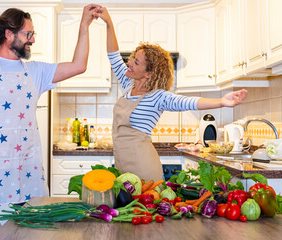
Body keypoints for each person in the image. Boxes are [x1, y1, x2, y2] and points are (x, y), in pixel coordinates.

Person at [0, 4, 101, 240]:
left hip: (27, 172)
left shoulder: (36, 72)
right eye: (28, 34)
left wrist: (84, 24)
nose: (32, 40)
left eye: (32, 34)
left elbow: (79, 65)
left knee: (24, 233)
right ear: (8, 34)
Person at [95, 7, 248, 182]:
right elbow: (113, 55)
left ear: (149, 74)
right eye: (131, 58)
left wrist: (221, 101)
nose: (129, 63)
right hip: (122, 163)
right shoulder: (128, 84)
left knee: (145, 208)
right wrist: (108, 23)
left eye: (135, 62)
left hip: (142, 165)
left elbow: (187, 102)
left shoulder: (157, 97)